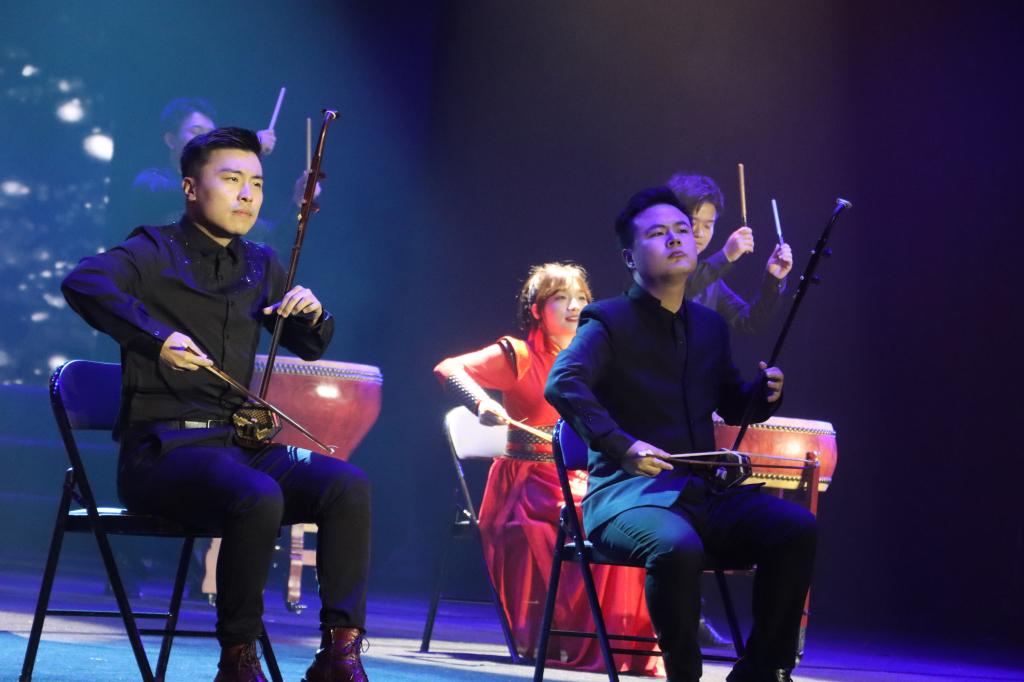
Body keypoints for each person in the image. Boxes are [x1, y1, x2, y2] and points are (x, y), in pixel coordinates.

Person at [62, 127, 369, 682]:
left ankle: (339, 654)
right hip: (162, 452)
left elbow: (309, 343)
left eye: (257, 183)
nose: (247, 194)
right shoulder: (153, 250)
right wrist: (157, 339)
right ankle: (238, 659)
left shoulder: (260, 263)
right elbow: (83, 281)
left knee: (346, 485)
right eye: (231, 180)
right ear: (190, 187)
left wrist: (312, 313)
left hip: (237, 445)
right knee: (257, 494)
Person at [545, 187, 817, 682]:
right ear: (630, 257)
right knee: (677, 546)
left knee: (795, 528)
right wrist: (624, 446)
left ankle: (760, 672)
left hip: (701, 496)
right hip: (628, 499)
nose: (675, 239)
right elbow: (563, 382)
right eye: (657, 233)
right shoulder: (608, 320)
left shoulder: (710, 326)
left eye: (681, 230)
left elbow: (732, 403)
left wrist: (765, 396)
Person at [434, 263, 663, 675]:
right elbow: (448, 367)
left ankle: (620, 643)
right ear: (537, 309)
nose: (574, 307)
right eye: (561, 298)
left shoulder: (594, 357)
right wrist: (481, 402)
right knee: (586, 517)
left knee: (629, 514)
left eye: (581, 299)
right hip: (526, 487)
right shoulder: (518, 357)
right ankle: (573, 641)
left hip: (579, 479)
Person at [667, 173, 793, 335]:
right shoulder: (652, 265)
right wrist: (726, 255)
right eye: (692, 222)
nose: (699, 233)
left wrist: (773, 279)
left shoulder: (710, 282)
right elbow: (678, 289)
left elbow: (747, 321)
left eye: (707, 226)